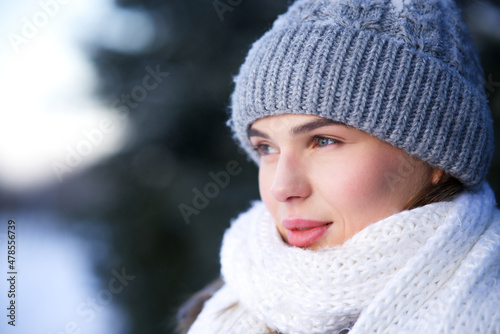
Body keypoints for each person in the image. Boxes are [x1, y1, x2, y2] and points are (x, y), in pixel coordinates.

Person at [177, 0, 500, 332]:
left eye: (323, 141)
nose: (282, 188)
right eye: (266, 147)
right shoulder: (222, 307)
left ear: (435, 159)